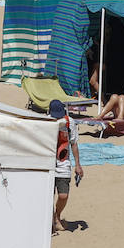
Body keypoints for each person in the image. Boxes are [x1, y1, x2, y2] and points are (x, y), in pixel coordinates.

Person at [49, 101, 83, 235]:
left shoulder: (70, 123)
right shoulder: (46, 122)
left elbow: (74, 144)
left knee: (63, 195)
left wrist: (78, 165)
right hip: (49, 164)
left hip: (64, 164)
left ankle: (57, 215)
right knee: (48, 195)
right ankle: (52, 221)